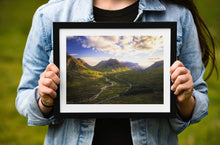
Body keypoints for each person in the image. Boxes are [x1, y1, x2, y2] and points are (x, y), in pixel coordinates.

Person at [16, 0, 217, 145]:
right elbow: (24, 96)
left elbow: (199, 99)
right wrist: (45, 101)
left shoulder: (178, 14)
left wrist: (184, 100)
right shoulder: (50, 15)